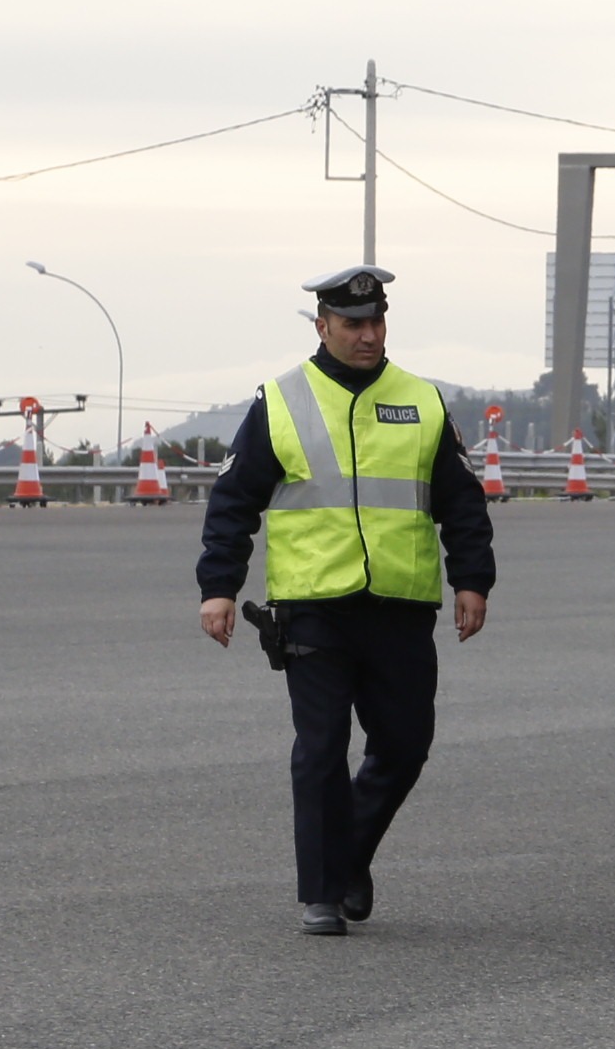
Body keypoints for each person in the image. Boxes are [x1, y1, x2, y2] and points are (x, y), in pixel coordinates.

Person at [196, 267, 496, 935]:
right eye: (353, 324)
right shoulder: (281, 400)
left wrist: (472, 579)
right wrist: (219, 588)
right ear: (323, 326)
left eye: (376, 322)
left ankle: (348, 856)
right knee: (321, 748)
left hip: (400, 604)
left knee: (405, 744)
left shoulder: (421, 400)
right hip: (314, 605)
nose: (367, 335)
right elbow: (233, 503)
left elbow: (461, 502)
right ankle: (321, 896)